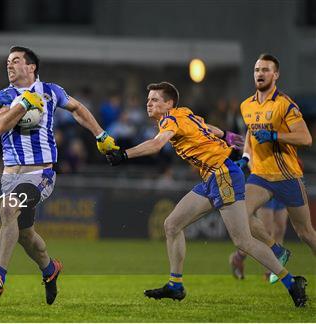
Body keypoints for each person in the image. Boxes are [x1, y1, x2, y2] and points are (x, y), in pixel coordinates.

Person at [106, 81, 307, 307]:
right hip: (213, 176)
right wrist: (237, 141)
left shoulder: (171, 119)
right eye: (148, 100)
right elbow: (208, 128)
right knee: (172, 224)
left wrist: (123, 155)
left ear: (169, 104)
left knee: (243, 240)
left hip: (222, 174)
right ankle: (175, 285)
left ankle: (291, 282)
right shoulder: (184, 114)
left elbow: (156, 145)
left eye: (154, 100)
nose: (148, 104)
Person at [0, 46, 118, 305]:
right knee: (25, 234)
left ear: (31, 67)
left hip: (40, 174)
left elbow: (77, 108)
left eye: (16, 61)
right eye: (8, 62)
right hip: (10, 177)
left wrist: (101, 135)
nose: (9, 65)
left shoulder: (51, 91)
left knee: (8, 210)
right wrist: (21, 108)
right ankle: (49, 268)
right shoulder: (5, 96)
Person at [228, 53, 316, 284]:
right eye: (257, 69)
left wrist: (275, 135)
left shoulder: (285, 105)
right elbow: (250, 134)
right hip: (260, 176)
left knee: (306, 233)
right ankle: (277, 250)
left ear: (275, 75)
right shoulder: (246, 105)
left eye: (266, 70)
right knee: (239, 214)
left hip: (287, 176)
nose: (260, 73)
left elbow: (306, 138)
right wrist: (246, 157)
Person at [230, 198, 288, 280]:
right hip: (265, 188)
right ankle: (270, 271)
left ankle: (238, 257)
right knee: (265, 232)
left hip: (281, 188)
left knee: (279, 229)